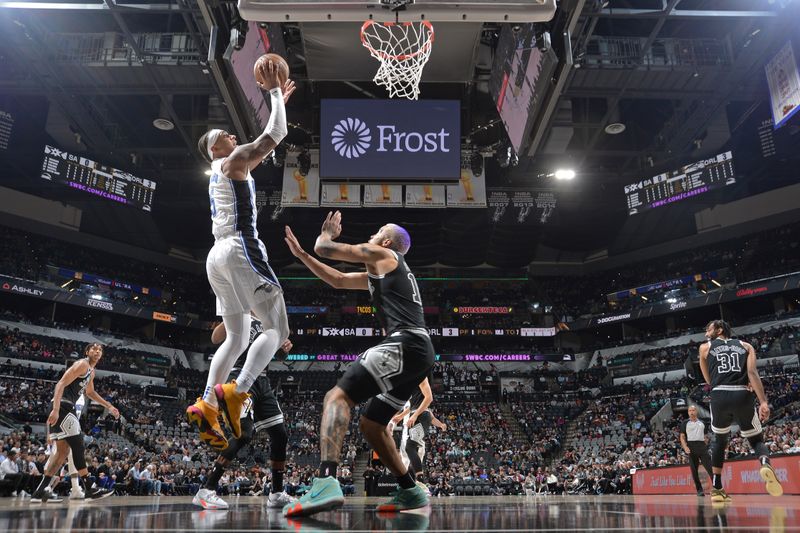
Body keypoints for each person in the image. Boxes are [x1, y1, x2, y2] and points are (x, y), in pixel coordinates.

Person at [283, 212, 434, 516]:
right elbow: (337, 280)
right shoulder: (387, 273)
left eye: (378, 231)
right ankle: (410, 490)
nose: (372, 235)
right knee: (372, 424)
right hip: (420, 351)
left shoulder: (384, 254)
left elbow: (326, 249)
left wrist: (326, 234)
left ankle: (326, 481)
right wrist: (301, 256)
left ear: (387, 241)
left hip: (405, 342)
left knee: (337, 397)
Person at [187, 58, 296, 451]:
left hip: (216, 255)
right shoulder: (232, 161)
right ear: (214, 148)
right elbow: (275, 134)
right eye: (224, 134)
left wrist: (277, 101)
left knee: (235, 337)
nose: (231, 134)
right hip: (239, 246)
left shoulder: (224, 168)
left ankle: (208, 402)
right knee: (277, 329)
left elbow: (266, 139)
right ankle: (238, 391)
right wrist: (271, 95)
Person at [192, 319, 297, 510]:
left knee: (280, 435)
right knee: (243, 434)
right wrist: (232, 316)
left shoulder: (270, 317)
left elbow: (280, 356)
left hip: (262, 380)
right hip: (238, 377)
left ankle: (276, 493)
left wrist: (284, 348)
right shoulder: (242, 310)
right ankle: (206, 489)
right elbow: (215, 338)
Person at [698, 319, 783, 502]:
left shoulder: (705, 348)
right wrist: (763, 402)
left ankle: (718, 488)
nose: (706, 332)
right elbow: (752, 373)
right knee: (755, 439)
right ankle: (764, 463)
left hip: (719, 396)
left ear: (719, 330)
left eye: (709, 328)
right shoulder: (746, 346)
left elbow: (708, 379)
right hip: (742, 395)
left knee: (719, 441)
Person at [30, 343, 119, 503]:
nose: (97, 351)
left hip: (64, 407)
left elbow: (90, 392)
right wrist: (56, 409)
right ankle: (89, 487)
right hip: (63, 405)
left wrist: (109, 406)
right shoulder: (82, 364)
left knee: (62, 453)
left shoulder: (91, 372)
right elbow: (60, 384)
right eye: (94, 349)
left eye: (100, 350)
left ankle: (39, 492)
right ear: (87, 352)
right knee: (78, 444)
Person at [389, 378, 447, 488]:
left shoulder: (420, 384)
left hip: (419, 420)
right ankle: (411, 484)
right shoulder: (411, 397)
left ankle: (420, 483)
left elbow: (429, 413)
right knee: (407, 454)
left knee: (412, 449)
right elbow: (411, 408)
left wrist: (440, 425)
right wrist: (400, 416)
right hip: (412, 424)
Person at [679, 405, 713, 496]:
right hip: (691, 446)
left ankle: (717, 488)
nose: (692, 412)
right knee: (694, 470)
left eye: (693, 410)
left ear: (696, 411)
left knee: (710, 468)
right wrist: (685, 447)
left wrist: (705, 443)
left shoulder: (702, 423)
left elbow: (705, 436)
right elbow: (682, 437)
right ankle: (699, 490)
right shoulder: (685, 423)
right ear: (688, 412)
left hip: (702, 446)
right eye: (690, 410)